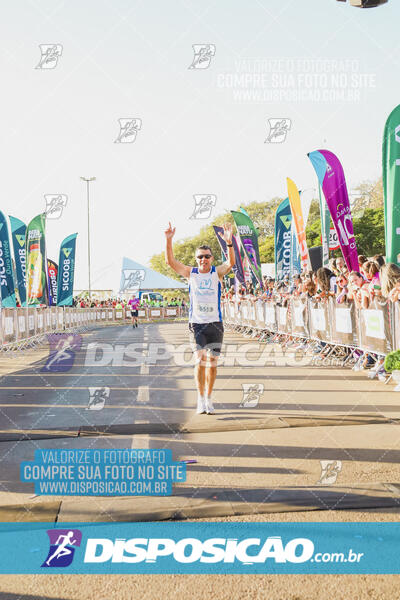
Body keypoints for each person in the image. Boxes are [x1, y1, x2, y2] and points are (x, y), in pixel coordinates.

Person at [165, 221, 235, 414]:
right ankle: (200, 398)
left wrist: (229, 243)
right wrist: (169, 240)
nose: (203, 260)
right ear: (196, 259)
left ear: (211, 258)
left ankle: (209, 398)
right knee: (200, 360)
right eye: (200, 257)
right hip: (197, 324)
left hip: (215, 324)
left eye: (206, 256)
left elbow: (231, 263)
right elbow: (171, 263)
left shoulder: (216, 272)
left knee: (212, 364)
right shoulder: (191, 273)